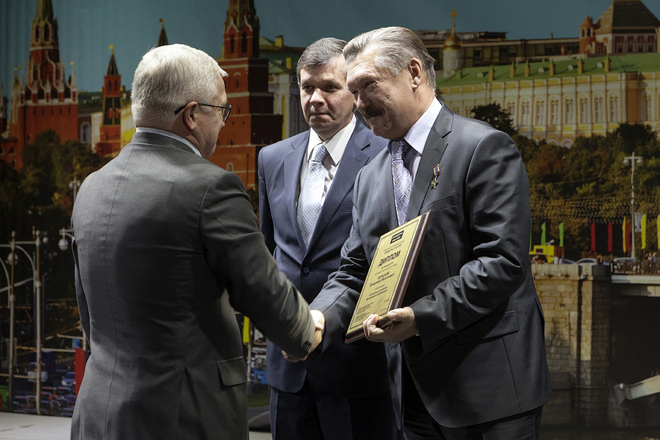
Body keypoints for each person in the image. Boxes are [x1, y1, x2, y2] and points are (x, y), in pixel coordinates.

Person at [307, 27, 551, 440]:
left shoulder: (483, 147)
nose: (359, 103)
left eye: (369, 86)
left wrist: (421, 317)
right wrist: (316, 320)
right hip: (412, 397)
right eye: (354, 91)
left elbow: (502, 263)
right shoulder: (369, 178)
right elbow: (355, 272)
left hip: (490, 393)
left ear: (415, 73)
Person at [70, 43, 320, 440]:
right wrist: (306, 330)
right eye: (221, 110)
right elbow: (261, 290)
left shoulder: (91, 187)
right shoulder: (210, 187)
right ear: (191, 115)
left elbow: (89, 311)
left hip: (98, 413)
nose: (223, 123)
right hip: (183, 416)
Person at [258, 37, 399, 440]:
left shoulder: (387, 155)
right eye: (307, 88)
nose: (316, 99)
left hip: (359, 366)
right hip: (288, 370)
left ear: (354, 93)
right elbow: (269, 253)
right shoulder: (272, 159)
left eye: (330, 87)